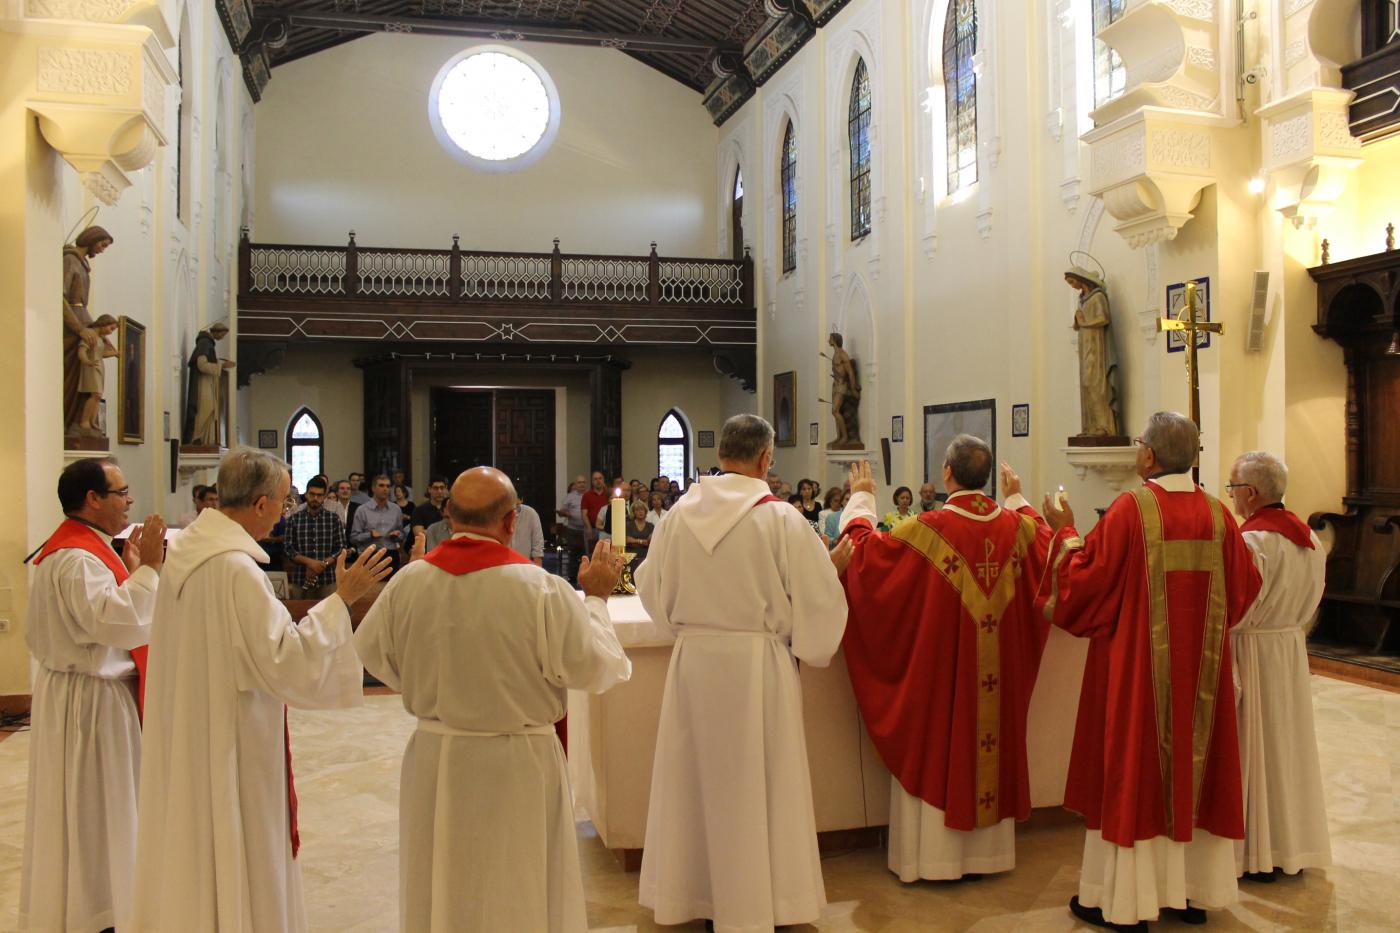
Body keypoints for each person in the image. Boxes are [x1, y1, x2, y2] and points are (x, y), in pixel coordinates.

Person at [354, 467, 631, 932]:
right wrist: (598, 600)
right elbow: (596, 668)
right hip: (516, 763)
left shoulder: (410, 581)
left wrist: (435, 685)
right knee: (516, 885)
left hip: (437, 756)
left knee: (443, 881)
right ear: (510, 521)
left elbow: (374, 657)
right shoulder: (541, 588)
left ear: (449, 514)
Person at [129, 447, 392, 932]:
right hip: (231, 732)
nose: (285, 510)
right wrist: (343, 599)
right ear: (259, 504)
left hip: (192, 722)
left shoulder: (186, 552)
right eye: (283, 500)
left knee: (196, 832)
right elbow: (287, 659)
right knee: (237, 831)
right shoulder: (236, 570)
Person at [1036, 412, 1262, 929]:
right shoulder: (1218, 514)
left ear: (1150, 456)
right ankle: (1189, 893)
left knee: (1135, 773)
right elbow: (1245, 589)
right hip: (1201, 683)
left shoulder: (1131, 511)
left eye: (1139, 443)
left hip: (1138, 680)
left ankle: (1127, 903)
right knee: (1194, 773)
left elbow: (1085, 585)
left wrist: (1064, 530)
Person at [636, 413, 853, 932]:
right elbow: (818, 603)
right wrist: (833, 573)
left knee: (695, 784)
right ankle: (764, 903)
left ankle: (695, 895)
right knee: (761, 784)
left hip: (694, 667)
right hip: (758, 668)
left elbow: (650, 589)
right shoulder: (781, 520)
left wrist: (691, 629)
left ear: (720, 455)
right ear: (766, 459)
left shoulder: (678, 516)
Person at [838, 444, 1052, 883]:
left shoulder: (926, 530)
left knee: (936, 737)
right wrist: (1016, 497)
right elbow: (1052, 545)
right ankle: (989, 857)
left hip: (939, 682)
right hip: (996, 686)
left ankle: (934, 861)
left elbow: (864, 556)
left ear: (947, 472)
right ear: (988, 477)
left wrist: (861, 499)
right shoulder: (1019, 530)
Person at [20, 457, 166, 933]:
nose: (129, 500)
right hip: (91, 701)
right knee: (98, 809)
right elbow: (115, 623)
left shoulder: (82, 549)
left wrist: (133, 571)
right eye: (121, 492)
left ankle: (96, 904)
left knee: (91, 807)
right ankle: (100, 909)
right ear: (92, 499)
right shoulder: (78, 558)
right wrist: (150, 570)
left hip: (82, 692)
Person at [1225, 451, 1332, 882]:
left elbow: (1233, 605)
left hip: (1252, 650)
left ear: (1250, 493)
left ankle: (1256, 852)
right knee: (1286, 748)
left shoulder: (1253, 543)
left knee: (1255, 747)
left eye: (1232, 488)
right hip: (1288, 648)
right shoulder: (1310, 540)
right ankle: (1290, 844)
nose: (1231, 496)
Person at [62, 225, 114, 434]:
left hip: (83, 321)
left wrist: (98, 332)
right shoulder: (69, 260)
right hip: (71, 327)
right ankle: (72, 422)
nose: (102, 249)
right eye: (102, 244)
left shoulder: (83, 266)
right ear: (91, 239)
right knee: (75, 378)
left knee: (91, 377)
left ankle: (84, 421)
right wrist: (80, 329)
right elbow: (60, 298)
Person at [284, 475, 347, 598]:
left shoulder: (333, 519)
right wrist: (310, 563)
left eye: (319, 495)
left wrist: (323, 563)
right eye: (312, 494)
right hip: (301, 578)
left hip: (327, 579)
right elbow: (288, 548)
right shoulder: (294, 519)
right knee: (299, 610)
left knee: (330, 610)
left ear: (324, 497)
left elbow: (340, 547)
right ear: (306, 494)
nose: (315, 498)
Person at [181, 322, 236, 447]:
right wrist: (221, 366)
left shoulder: (208, 343)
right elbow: (201, 365)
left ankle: (202, 439)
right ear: (217, 332)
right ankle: (196, 437)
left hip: (208, 380)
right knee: (205, 408)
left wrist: (220, 363)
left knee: (210, 409)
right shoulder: (204, 343)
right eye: (222, 335)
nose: (222, 337)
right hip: (203, 382)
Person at [74, 313, 119, 436]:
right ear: (103, 324)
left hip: (99, 367)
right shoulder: (90, 335)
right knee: (96, 394)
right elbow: (82, 350)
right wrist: (86, 361)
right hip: (91, 366)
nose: (110, 332)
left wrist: (114, 353)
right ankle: (84, 421)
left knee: (98, 396)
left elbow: (101, 354)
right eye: (110, 328)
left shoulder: (100, 338)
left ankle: (92, 421)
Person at [350, 474, 405, 561]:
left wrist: (397, 535)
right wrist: (370, 535)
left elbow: (402, 535)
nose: (385, 489)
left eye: (388, 486)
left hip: (391, 553)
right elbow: (353, 538)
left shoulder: (396, 509)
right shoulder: (362, 510)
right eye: (381, 485)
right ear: (373, 488)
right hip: (371, 554)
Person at [410, 477, 449, 541]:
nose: (439, 491)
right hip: (427, 545)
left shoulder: (451, 509)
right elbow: (419, 534)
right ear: (429, 489)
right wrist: (444, 532)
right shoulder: (419, 510)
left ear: (446, 489)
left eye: (442, 488)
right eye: (436, 488)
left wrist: (428, 531)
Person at [511, 500, 545, 566]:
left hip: (526, 565)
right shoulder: (496, 514)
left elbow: (538, 546)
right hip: (501, 566)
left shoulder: (530, 513)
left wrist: (537, 568)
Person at [580, 471, 610, 547]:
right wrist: (588, 528)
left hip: (606, 530)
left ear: (603, 480)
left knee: (604, 552)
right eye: (595, 479)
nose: (598, 481)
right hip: (592, 529)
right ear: (592, 482)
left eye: (600, 478)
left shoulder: (608, 494)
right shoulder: (586, 495)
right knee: (591, 552)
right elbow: (584, 514)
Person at [625, 498, 654, 566]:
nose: (640, 512)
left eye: (642, 509)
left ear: (645, 511)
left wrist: (635, 541)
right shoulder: (629, 525)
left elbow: (650, 541)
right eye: (637, 510)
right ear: (633, 512)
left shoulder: (650, 526)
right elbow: (627, 540)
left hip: (646, 555)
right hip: (631, 555)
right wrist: (641, 541)